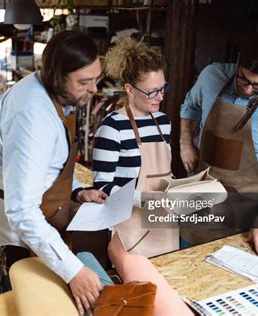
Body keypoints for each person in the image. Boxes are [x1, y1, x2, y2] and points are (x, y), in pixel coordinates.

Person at [0, 31, 107, 315]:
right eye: (84, 82)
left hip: (28, 222)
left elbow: (45, 166)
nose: (94, 89)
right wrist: (73, 272)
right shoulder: (31, 117)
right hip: (9, 237)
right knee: (22, 307)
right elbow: (21, 211)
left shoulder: (47, 91)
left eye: (97, 79)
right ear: (57, 76)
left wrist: (77, 190)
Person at [179, 34, 258, 259]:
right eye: (243, 80)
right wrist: (185, 144)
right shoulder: (211, 76)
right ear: (239, 60)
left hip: (252, 216)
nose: (248, 90)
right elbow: (189, 107)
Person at [92, 37, 179, 258]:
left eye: (163, 88)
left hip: (164, 224)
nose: (160, 97)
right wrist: (147, 198)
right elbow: (102, 188)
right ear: (129, 89)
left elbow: (164, 173)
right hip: (129, 232)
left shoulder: (163, 122)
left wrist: (181, 189)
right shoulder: (112, 128)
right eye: (151, 91)